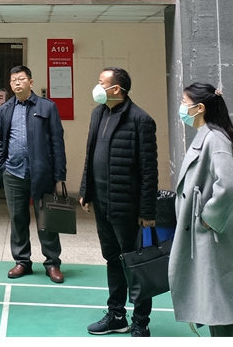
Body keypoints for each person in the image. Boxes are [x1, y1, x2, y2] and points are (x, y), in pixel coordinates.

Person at [169, 82, 233, 337]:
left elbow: (229, 185)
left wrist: (208, 218)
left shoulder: (214, 139)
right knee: (215, 304)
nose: (181, 108)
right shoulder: (208, 135)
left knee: (220, 305)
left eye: (184, 103)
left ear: (200, 108)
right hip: (207, 237)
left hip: (212, 237)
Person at [79, 67, 159, 337]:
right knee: (112, 259)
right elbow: (91, 155)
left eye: (101, 82)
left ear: (116, 89)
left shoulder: (140, 120)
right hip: (103, 203)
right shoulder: (98, 114)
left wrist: (147, 211)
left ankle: (141, 322)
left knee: (135, 264)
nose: (97, 87)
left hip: (128, 207)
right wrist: (86, 190)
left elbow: (149, 171)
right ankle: (116, 315)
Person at [0, 65, 68, 283]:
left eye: (21, 78)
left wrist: (59, 174)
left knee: (46, 219)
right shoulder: (5, 109)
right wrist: (2, 165)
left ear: (31, 82)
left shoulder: (47, 107)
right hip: (13, 173)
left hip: (42, 173)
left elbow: (57, 141)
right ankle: (22, 261)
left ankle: (52, 263)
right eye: (13, 80)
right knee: (18, 219)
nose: (17, 82)